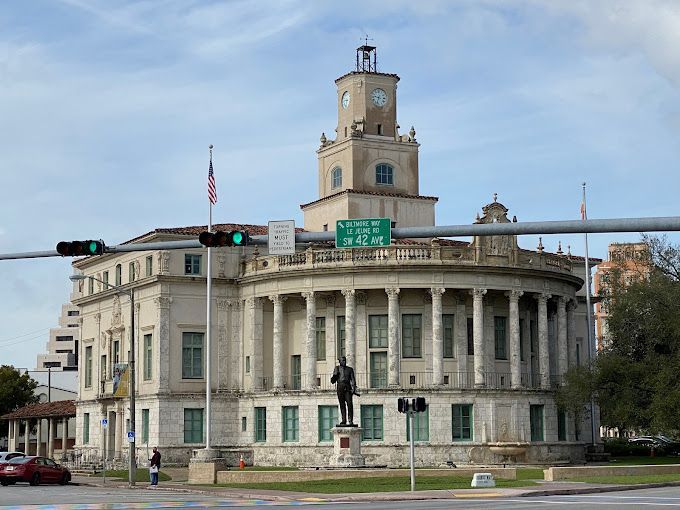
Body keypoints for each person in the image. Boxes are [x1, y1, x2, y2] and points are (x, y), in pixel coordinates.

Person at [330, 356, 358, 426]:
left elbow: (353, 380)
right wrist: (335, 375)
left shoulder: (350, 369)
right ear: (339, 362)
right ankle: (344, 420)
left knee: (349, 404)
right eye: (342, 361)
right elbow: (332, 381)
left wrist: (353, 388)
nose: (344, 362)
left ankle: (350, 420)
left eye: (345, 360)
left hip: (347, 387)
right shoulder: (337, 368)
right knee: (342, 405)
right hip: (340, 387)